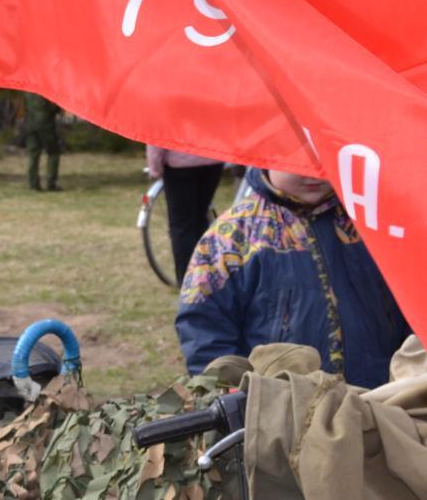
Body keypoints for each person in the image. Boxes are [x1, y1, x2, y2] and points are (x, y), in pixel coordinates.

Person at [176, 166, 409, 389]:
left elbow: (416, 306)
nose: (311, 171)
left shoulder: (374, 223)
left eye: (320, 156)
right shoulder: (231, 237)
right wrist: (235, 395)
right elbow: (204, 329)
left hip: (377, 397)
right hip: (280, 406)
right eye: (295, 158)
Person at [145, 144, 227, 285]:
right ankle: (205, 279)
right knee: (201, 220)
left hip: (179, 162)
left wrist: (154, 167)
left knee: (182, 227)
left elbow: (157, 132)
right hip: (213, 157)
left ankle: (187, 283)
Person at [20, 93, 62, 191]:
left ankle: (33, 184)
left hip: (31, 124)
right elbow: (53, 107)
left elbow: (25, 107)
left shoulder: (28, 91)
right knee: (53, 152)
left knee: (33, 154)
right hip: (45, 124)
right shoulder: (45, 88)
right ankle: (51, 183)